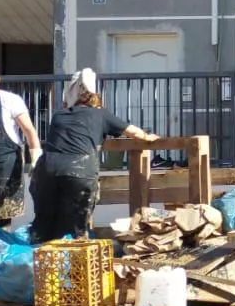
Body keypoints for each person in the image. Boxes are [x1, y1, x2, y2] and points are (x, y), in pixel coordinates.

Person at [30, 68, 159, 243]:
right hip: (80, 171)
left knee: (44, 221)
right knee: (78, 225)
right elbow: (133, 132)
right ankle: (75, 262)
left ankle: (37, 261)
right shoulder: (101, 114)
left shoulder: (59, 115)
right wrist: (148, 137)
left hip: (47, 169)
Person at [0, 65, 42, 230]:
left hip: (5, 169)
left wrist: (36, 159)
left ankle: (2, 251)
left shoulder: (11, 101)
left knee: (2, 221)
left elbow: (29, 130)